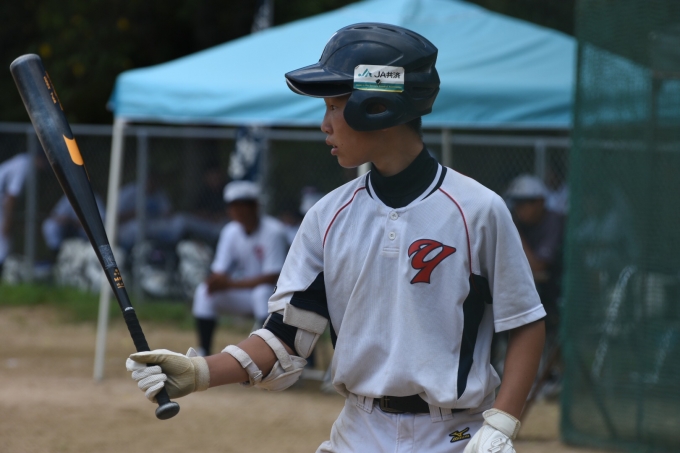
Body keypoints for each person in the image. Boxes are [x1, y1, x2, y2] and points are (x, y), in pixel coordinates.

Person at [126, 23, 545, 453]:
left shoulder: (478, 209)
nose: (324, 124)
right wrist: (200, 372)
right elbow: (286, 336)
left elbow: (525, 322)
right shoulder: (328, 216)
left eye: (334, 106)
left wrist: (502, 422)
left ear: (377, 106)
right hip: (358, 431)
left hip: (455, 435)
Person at [191, 180, 289, 356]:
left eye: (242, 205)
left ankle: (265, 354)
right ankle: (204, 351)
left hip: (274, 296)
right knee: (204, 292)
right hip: (243, 292)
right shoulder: (230, 231)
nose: (237, 210)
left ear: (255, 206)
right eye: (233, 206)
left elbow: (272, 276)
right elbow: (220, 269)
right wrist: (214, 281)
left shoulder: (273, 231)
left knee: (261, 292)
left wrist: (228, 283)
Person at [0, 152, 44, 272]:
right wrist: (8, 221)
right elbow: (11, 196)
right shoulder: (25, 166)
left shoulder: (23, 160)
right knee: (4, 241)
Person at [42, 193, 106, 258]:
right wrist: (65, 220)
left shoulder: (94, 199)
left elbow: (101, 220)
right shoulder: (68, 197)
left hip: (84, 232)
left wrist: (75, 222)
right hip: (69, 229)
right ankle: (55, 254)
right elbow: (55, 215)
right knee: (49, 225)